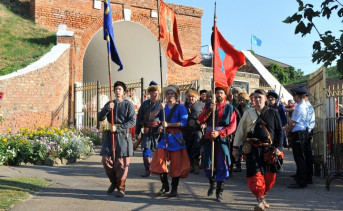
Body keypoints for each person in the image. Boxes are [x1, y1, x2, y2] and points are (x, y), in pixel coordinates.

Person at [233, 89, 283, 211]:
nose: (257, 99)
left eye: (260, 97)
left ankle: (263, 197)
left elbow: (279, 132)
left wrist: (279, 148)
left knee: (269, 178)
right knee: (255, 176)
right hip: (253, 150)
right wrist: (235, 147)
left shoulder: (273, 112)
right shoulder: (248, 113)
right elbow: (240, 130)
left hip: (269, 150)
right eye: (255, 98)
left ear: (265, 99)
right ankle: (260, 201)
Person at [149, 84, 190, 197]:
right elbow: (151, 117)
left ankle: (174, 188)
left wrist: (168, 124)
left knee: (176, 165)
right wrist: (158, 108)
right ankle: (165, 185)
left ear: (176, 95)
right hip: (164, 138)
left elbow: (183, 123)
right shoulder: (163, 106)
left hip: (176, 138)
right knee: (159, 160)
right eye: (168, 93)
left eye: (172, 93)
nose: (169, 95)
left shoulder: (181, 107)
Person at [198, 86, 237, 202]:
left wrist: (219, 133)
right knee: (209, 163)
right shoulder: (208, 106)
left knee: (222, 164)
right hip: (209, 137)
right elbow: (201, 120)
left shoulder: (230, 107)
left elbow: (232, 126)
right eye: (217, 93)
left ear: (224, 95)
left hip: (222, 138)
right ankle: (212, 184)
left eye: (221, 93)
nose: (219, 95)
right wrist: (209, 110)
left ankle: (219, 191)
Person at [98, 81, 136, 198]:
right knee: (106, 160)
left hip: (123, 135)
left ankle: (121, 187)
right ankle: (114, 182)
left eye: (120, 89)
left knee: (122, 163)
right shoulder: (110, 104)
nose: (117, 91)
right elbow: (100, 117)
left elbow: (132, 121)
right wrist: (107, 109)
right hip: (110, 136)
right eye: (116, 89)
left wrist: (119, 128)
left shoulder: (128, 104)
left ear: (124, 91)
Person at [134, 81, 161, 177]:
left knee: (160, 150)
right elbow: (139, 118)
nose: (155, 93)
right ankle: (148, 169)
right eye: (153, 91)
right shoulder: (145, 104)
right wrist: (136, 132)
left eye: (156, 91)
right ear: (149, 93)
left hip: (158, 131)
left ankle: (159, 169)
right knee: (146, 149)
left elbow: (165, 118)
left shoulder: (162, 104)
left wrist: (161, 127)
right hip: (146, 130)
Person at [287, 87, 310, 189]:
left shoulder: (300, 107)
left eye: (294, 96)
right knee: (302, 158)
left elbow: (292, 122)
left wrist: (288, 130)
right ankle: (303, 179)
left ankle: (301, 181)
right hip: (303, 133)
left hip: (299, 134)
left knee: (299, 158)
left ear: (296, 96)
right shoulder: (305, 106)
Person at [184, 88, 205, 174]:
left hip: (198, 129)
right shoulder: (184, 106)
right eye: (189, 97)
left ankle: (196, 164)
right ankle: (191, 164)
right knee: (188, 147)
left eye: (193, 97)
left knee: (196, 145)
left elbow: (207, 117)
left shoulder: (201, 105)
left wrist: (205, 124)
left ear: (196, 97)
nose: (191, 98)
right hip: (187, 129)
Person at [232, 91, 251, 173]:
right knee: (238, 149)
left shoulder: (250, 109)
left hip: (247, 130)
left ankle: (249, 166)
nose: (241, 102)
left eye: (243, 100)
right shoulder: (236, 109)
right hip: (238, 130)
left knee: (247, 149)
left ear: (246, 100)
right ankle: (238, 165)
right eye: (240, 100)